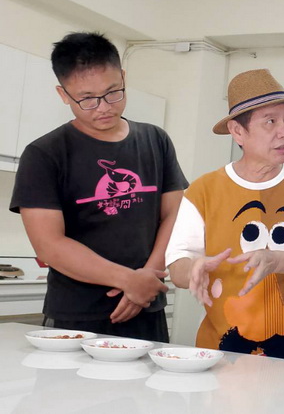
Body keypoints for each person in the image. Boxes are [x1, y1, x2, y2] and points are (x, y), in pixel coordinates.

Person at [10, 32, 188, 342]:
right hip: (77, 313)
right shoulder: (45, 153)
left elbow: (175, 214)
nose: (103, 107)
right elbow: (49, 244)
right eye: (87, 99)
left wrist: (145, 279)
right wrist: (128, 280)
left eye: (113, 92)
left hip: (147, 305)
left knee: (150, 389)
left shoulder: (155, 140)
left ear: (123, 77)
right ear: (63, 94)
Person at [166, 68, 284, 362]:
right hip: (221, 351)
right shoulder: (203, 189)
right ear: (237, 132)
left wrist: (276, 259)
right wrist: (194, 267)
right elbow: (178, 266)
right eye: (270, 121)